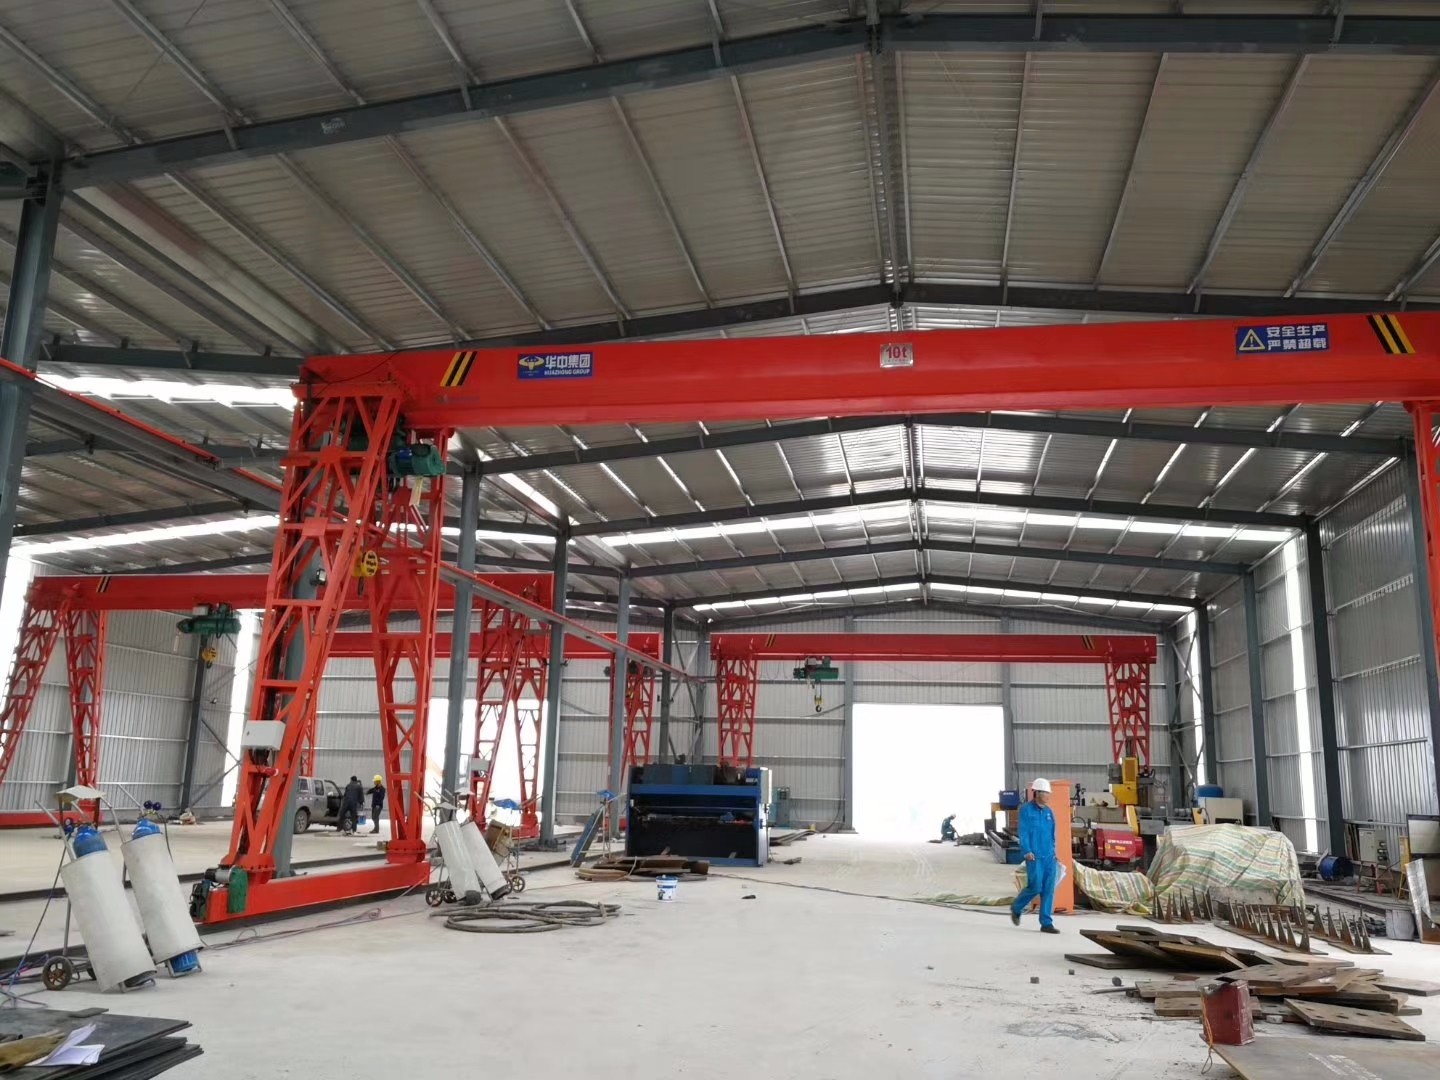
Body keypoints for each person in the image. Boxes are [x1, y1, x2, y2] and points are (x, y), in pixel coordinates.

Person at [1010, 778, 1060, 935]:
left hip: (1049, 857)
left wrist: (1054, 853)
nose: (1047, 796)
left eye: (1048, 793)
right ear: (1036, 793)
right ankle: (1016, 907)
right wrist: (1027, 851)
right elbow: (1023, 832)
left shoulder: (1049, 812)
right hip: (1034, 856)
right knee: (1036, 886)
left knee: (1048, 890)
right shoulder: (1026, 810)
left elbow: (1052, 835)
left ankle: (1046, 923)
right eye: (1045, 793)